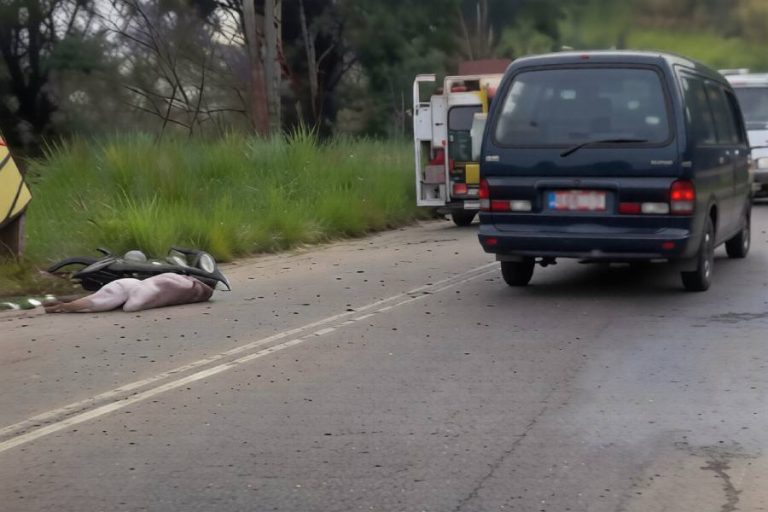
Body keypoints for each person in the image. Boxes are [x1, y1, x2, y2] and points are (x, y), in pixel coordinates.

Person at [44, 273, 214, 313]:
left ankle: (59, 304)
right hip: (130, 288)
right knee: (96, 303)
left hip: (128, 284)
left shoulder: (179, 279)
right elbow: (131, 307)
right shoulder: (183, 286)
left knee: (96, 300)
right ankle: (61, 306)